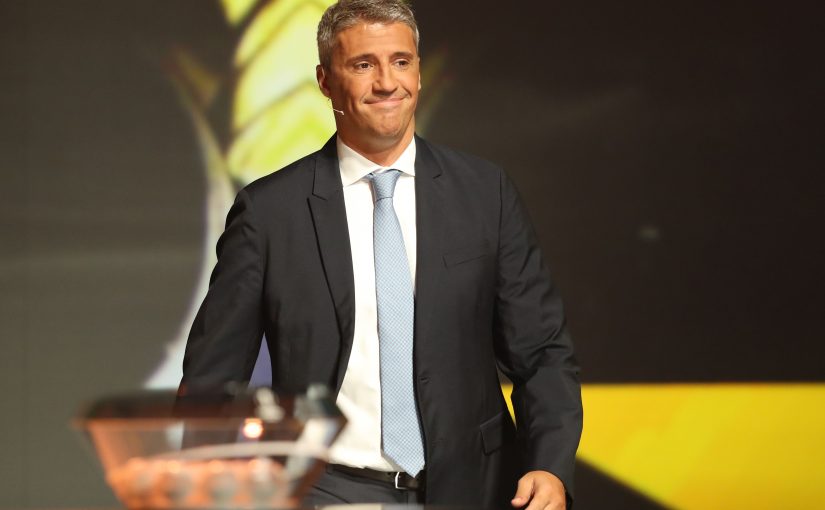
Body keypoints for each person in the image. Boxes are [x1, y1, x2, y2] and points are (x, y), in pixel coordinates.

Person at [179, 0, 582, 508]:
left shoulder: (485, 193)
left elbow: (541, 351)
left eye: (401, 61)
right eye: (363, 64)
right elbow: (213, 374)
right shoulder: (269, 212)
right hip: (325, 489)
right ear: (325, 81)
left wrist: (550, 464)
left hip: (472, 487)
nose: (387, 82)